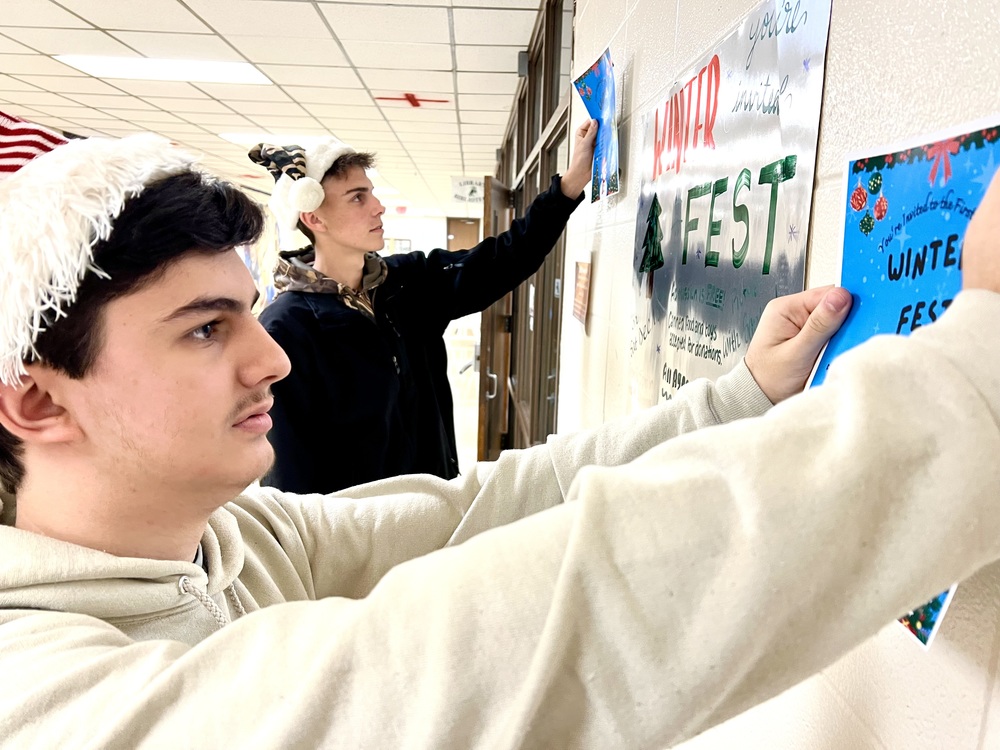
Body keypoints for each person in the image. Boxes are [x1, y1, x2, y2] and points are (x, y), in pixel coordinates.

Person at [1, 133, 999, 750]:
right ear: (37, 402)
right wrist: (978, 362)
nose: (272, 359)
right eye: (206, 330)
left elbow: (490, 508)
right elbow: (560, 624)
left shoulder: (231, 543)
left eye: (248, 315)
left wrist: (734, 397)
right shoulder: (46, 702)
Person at [248, 121, 597, 494]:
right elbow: (286, 470)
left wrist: (569, 187)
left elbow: (505, 258)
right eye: (357, 197)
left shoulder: (407, 284)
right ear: (314, 218)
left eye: (371, 193)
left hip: (435, 507)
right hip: (357, 536)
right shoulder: (286, 328)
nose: (378, 207)